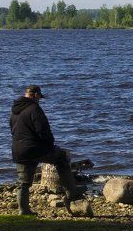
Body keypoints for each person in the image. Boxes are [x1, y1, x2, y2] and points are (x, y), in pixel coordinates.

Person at [10, 85, 83, 215]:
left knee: (23, 182)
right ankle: (72, 193)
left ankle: (24, 210)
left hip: (18, 149)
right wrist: (50, 145)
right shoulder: (34, 109)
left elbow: (13, 130)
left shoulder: (14, 111)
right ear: (36, 95)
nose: (39, 100)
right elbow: (43, 131)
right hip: (34, 148)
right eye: (39, 98)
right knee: (61, 158)